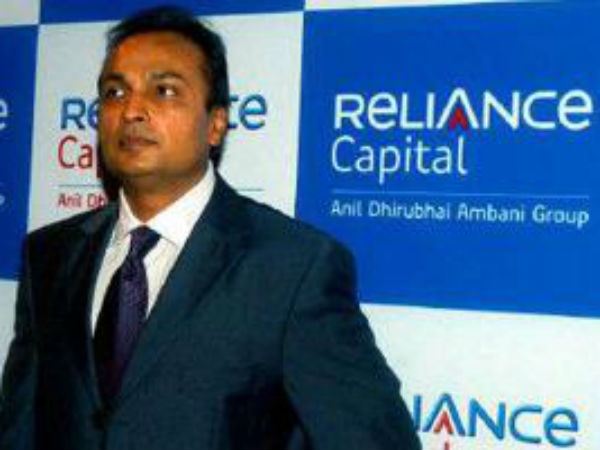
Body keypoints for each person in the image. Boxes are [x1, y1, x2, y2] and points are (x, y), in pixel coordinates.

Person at [0, 6, 420, 450]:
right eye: (114, 92)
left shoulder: (293, 269)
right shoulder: (50, 254)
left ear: (216, 124)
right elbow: (19, 430)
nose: (132, 110)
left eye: (164, 90)